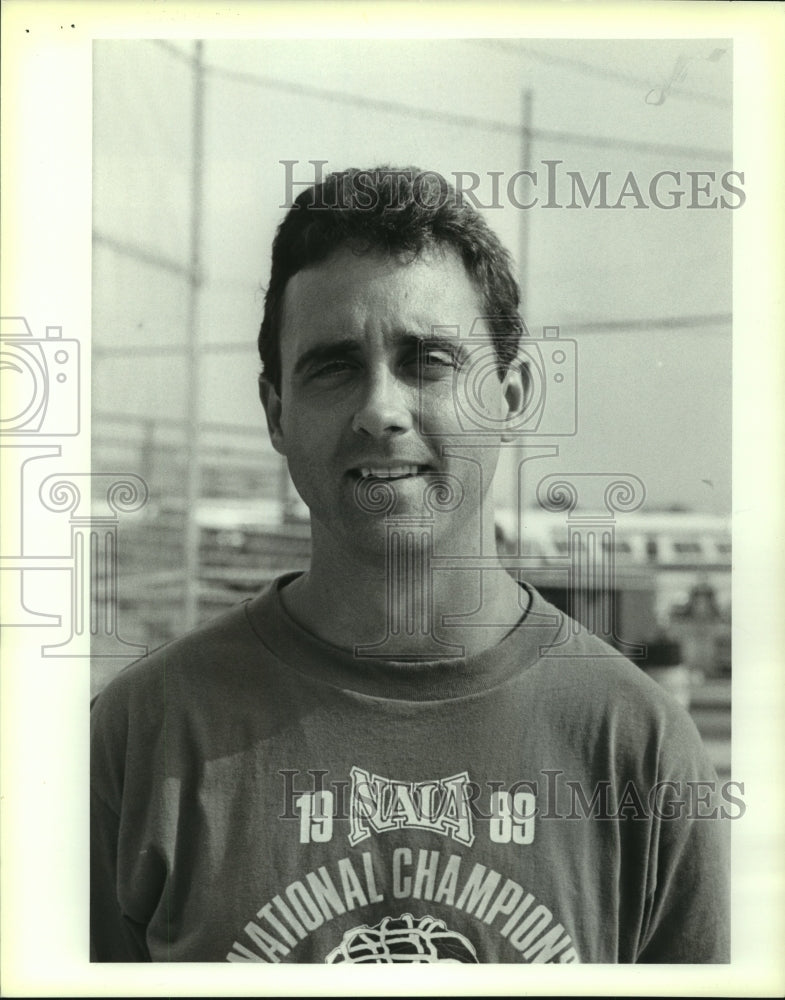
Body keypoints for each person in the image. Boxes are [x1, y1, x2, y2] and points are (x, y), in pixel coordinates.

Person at [90, 166, 730, 963]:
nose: (380, 410)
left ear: (510, 394)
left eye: (427, 360)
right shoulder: (141, 735)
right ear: (274, 412)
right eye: (332, 366)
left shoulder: (632, 744)